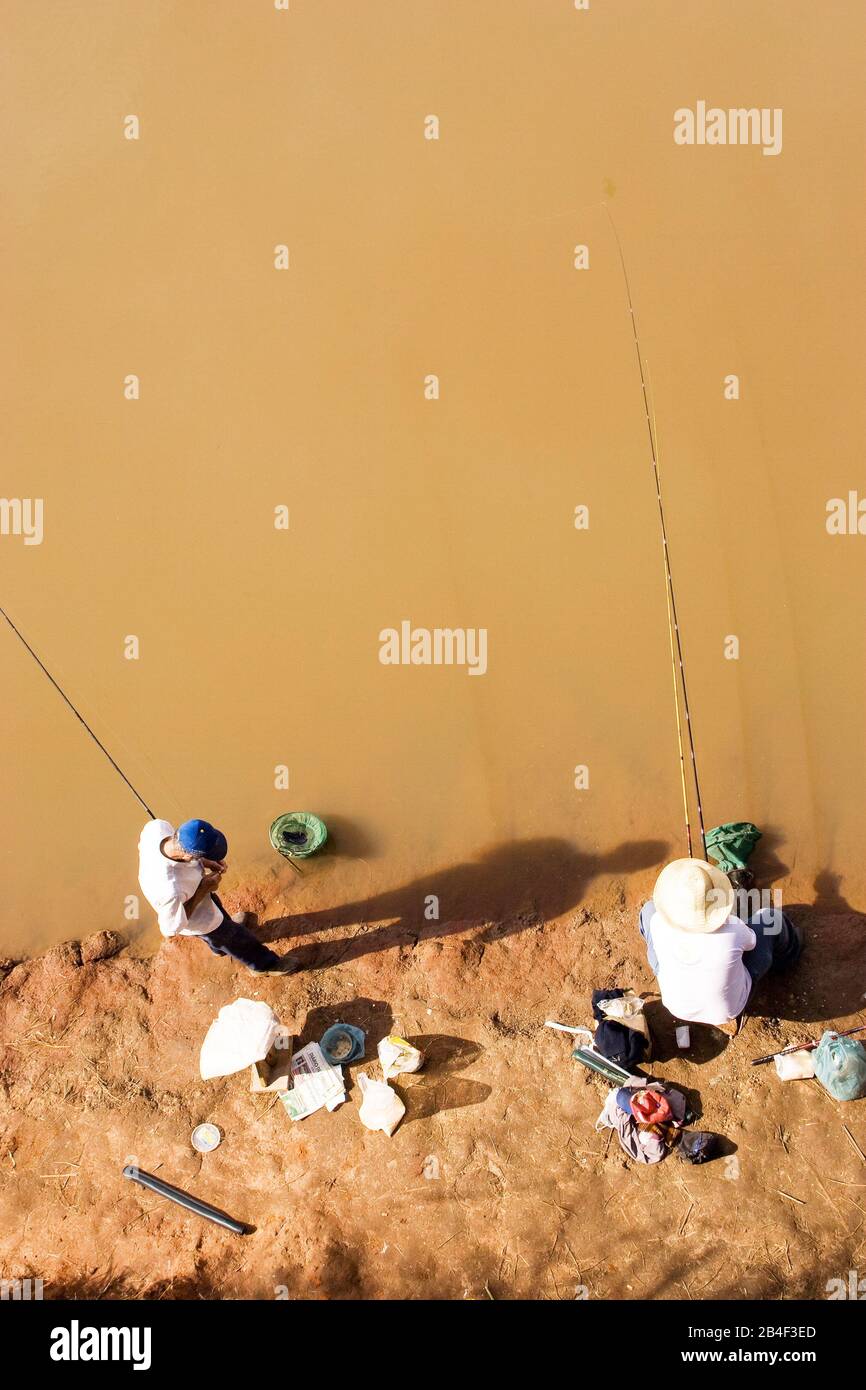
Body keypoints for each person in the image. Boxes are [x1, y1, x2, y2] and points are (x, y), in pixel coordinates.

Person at [638, 857, 801, 1035]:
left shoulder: (658, 922)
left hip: (677, 1005)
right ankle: (792, 951)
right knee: (769, 919)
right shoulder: (733, 929)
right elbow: (752, 943)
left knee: (648, 909)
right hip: (727, 1010)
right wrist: (732, 925)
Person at [138, 817, 292, 975]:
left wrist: (206, 861)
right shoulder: (169, 890)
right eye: (200, 856)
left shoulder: (157, 828)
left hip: (198, 891)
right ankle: (264, 966)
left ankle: (218, 948)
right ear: (188, 857)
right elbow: (170, 930)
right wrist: (203, 889)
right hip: (195, 918)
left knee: (218, 908)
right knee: (234, 937)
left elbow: (184, 852)